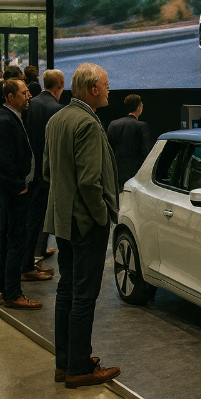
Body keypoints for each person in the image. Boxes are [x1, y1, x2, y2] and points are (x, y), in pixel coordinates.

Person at [43, 63, 121, 387]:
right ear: (93, 89)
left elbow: (47, 171)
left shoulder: (57, 119)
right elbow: (90, 182)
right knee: (84, 296)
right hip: (86, 223)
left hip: (63, 221)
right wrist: (102, 216)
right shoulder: (87, 123)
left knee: (67, 290)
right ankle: (78, 368)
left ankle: (65, 364)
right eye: (106, 84)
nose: (108, 89)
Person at [0, 79, 46, 309]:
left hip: (15, 190)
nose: (28, 96)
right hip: (14, 193)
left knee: (9, 240)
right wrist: (19, 185)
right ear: (10, 97)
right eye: (23, 93)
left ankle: (5, 289)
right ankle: (13, 294)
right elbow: (4, 159)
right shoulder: (5, 120)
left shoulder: (13, 117)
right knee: (15, 241)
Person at [22, 69, 65, 278]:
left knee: (31, 219)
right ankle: (27, 266)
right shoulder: (57, 109)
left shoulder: (31, 104)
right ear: (61, 84)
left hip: (30, 171)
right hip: (46, 173)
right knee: (36, 221)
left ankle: (29, 261)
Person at [106, 94, 153, 187]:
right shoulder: (142, 126)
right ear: (139, 107)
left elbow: (108, 149)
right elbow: (147, 150)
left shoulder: (113, 124)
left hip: (115, 172)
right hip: (135, 173)